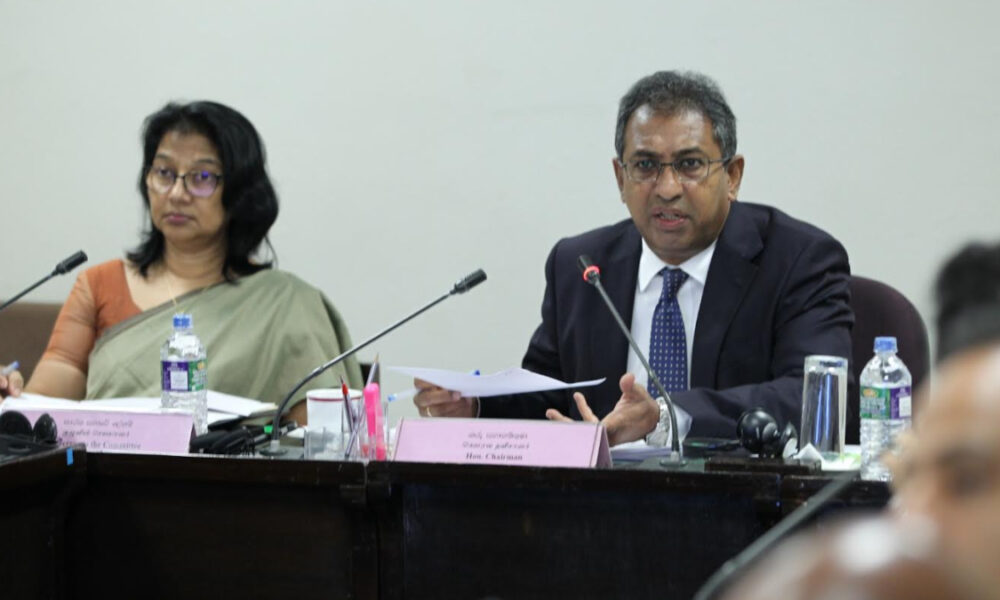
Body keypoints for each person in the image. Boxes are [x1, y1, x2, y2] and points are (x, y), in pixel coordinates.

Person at [415, 70, 853, 445]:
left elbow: (817, 398)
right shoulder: (581, 266)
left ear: (733, 175)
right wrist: (474, 408)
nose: (667, 188)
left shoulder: (798, 261)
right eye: (645, 166)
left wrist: (665, 418)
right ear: (619, 177)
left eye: (690, 164)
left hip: (743, 504)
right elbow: (550, 396)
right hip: (602, 504)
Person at [7, 101, 362, 423]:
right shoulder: (100, 285)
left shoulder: (285, 304)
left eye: (202, 177)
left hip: (234, 475)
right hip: (110, 475)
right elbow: (38, 413)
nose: (177, 193)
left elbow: (318, 439)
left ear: (239, 191)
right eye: (164, 173)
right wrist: (10, 397)